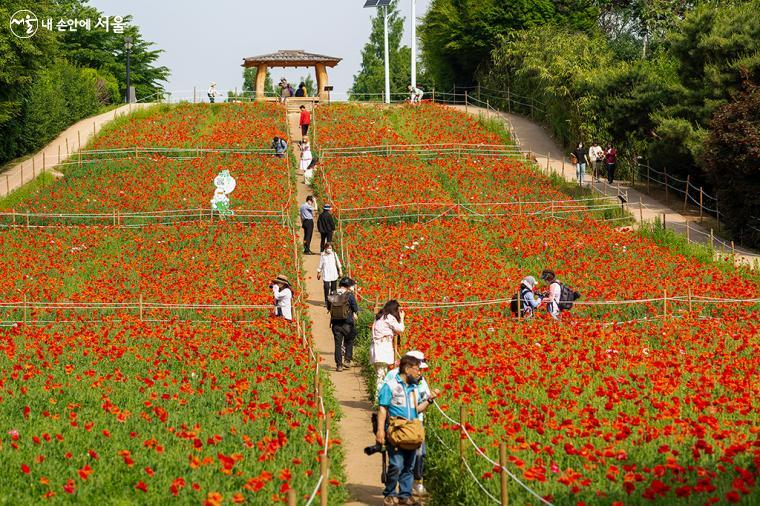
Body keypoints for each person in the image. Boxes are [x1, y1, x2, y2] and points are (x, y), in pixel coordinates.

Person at [376, 354, 439, 505]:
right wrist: (380, 430)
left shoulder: (414, 388)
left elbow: (417, 409)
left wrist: (430, 399)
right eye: (417, 369)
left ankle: (404, 495)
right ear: (406, 369)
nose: (419, 372)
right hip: (396, 430)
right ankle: (390, 493)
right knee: (396, 465)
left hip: (412, 430)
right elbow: (383, 409)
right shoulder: (390, 385)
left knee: (409, 466)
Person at [371, 300, 405, 395]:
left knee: (379, 373)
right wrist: (402, 318)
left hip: (375, 347)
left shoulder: (379, 317)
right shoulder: (389, 317)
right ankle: (379, 399)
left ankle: (379, 397)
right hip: (383, 347)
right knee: (382, 375)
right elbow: (401, 329)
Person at [329, 277, 359, 372]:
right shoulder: (349, 295)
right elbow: (355, 308)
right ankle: (347, 360)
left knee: (337, 345)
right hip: (347, 323)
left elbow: (329, 306)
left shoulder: (333, 293)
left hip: (336, 324)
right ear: (348, 286)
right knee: (349, 341)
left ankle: (339, 365)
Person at [317, 242, 342, 309]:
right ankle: (326, 301)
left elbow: (338, 262)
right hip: (326, 273)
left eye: (330, 248)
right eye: (328, 248)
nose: (329, 249)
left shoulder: (334, 254)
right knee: (326, 287)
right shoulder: (323, 255)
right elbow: (321, 264)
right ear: (325, 248)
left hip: (333, 273)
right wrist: (318, 272)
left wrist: (340, 270)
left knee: (333, 289)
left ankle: (333, 301)